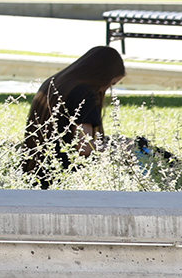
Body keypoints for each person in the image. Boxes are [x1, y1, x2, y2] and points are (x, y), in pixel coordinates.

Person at [19, 46, 125, 189]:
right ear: (102, 76)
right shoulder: (85, 93)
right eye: (111, 84)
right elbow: (85, 147)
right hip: (64, 178)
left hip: (36, 172)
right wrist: (121, 148)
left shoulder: (55, 82)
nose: (106, 89)